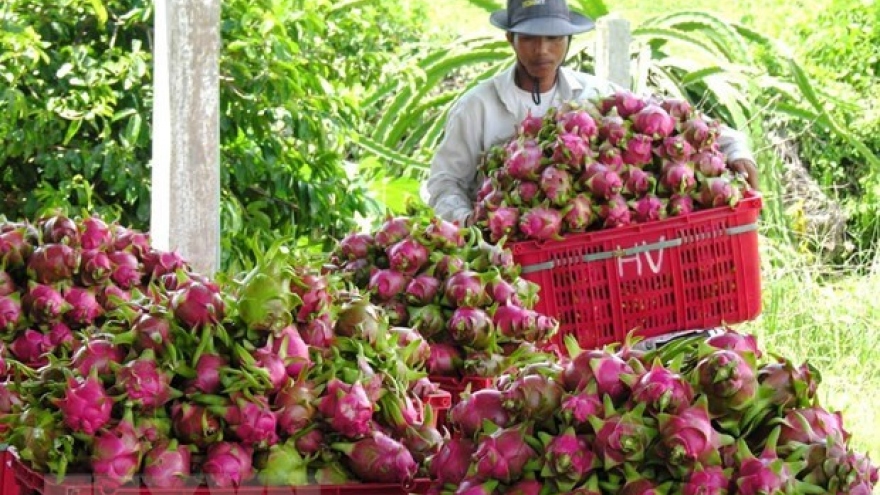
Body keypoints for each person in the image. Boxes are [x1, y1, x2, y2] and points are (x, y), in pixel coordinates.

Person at [422, 0, 759, 226]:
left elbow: (669, 120)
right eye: (529, 39)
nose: (542, 50)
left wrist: (735, 148)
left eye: (554, 38)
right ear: (511, 38)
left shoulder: (595, 95)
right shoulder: (477, 106)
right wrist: (470, 222)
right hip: (505, 254)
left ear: (569, 40)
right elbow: (444, 181)